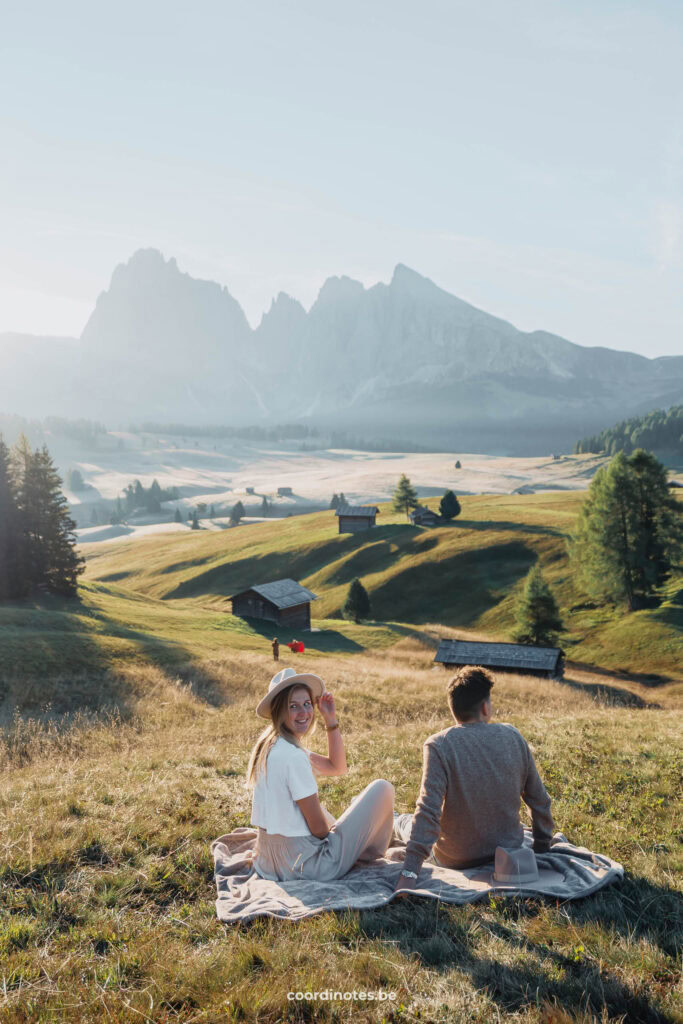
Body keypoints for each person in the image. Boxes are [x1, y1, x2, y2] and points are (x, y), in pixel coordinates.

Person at [393, 665, 554, 892]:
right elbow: (539, 800)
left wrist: (409, 873)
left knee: (405, 822)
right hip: (507, 852)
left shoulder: (439, 744)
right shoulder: (513, 737)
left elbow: (428, 811)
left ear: (454, 711)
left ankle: (392, 818)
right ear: (486, 707)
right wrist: (541, 847)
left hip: (455, 858)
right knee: (408, 821)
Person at [248, 667, 394, 881]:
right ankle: (367, 854)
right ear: (279, 711)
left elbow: (337, 767)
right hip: (305, 865)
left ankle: (357, 841)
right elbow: (319, 829)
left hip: (269, 861)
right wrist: (339, 833)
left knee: (331, 812)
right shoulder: (293, 756)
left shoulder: (272, 746)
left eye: (307, 704)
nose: (304, 713)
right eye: (293, 706)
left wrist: (330, 719)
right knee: (383, 789)